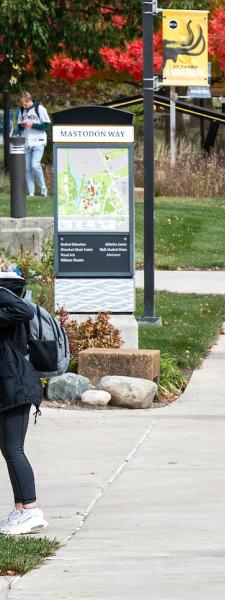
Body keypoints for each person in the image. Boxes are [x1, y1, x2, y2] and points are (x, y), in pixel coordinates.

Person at [0, 263, 46, 535]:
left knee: (14, 449)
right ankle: (21, 510)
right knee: (8, 449)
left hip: (16, 384)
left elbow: (24, 311)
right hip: (9, 385)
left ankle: (31, 510)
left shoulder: (3, 293)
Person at [13, 93, 49, 198]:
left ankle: (43, 189)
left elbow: (47, 126)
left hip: (38, 141)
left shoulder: (40, 108)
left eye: (25, 104)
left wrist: (32, 125)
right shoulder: (21, 110)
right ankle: (31, 192)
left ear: (29, 100)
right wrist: (22, 126)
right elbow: (19, 126)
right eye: (22, 105)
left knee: (35, 164)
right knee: (27, 168)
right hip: (26, 142)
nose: (24, 107)